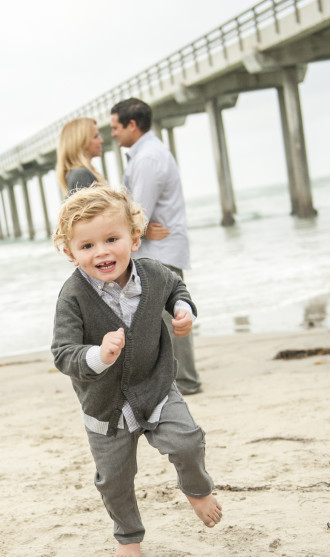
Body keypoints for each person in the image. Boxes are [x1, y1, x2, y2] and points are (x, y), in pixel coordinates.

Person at [51, 186, 222, 557]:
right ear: (69, 252)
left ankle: (197, 490)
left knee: (187, 440)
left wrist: (182, 309)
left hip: (155, 385)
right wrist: (98, 354)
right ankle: (128, 533)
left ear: (134, 237)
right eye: (87, 246)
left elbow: (176, 287)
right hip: (105, 406)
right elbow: (63, 353)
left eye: (112, 239)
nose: (102, 252)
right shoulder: (73, 297)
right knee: (114, 479)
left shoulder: (153, 274)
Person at [110, 97, 202, 395]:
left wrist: (142, 228)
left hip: (160, 253)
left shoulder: (148, 158)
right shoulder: (149, 153)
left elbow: (139, 212)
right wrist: (144, 228)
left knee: (173, 316)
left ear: (132, 125)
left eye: (116, 127)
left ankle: (185, 380)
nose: (113, 133)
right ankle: (179, 379)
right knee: (167, 316)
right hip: (157, 248)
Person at [56, 117, 106, 194]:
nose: (101, 140)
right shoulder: (81, 175)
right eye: (96, 137)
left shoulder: (77, 174)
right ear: (82, 142)